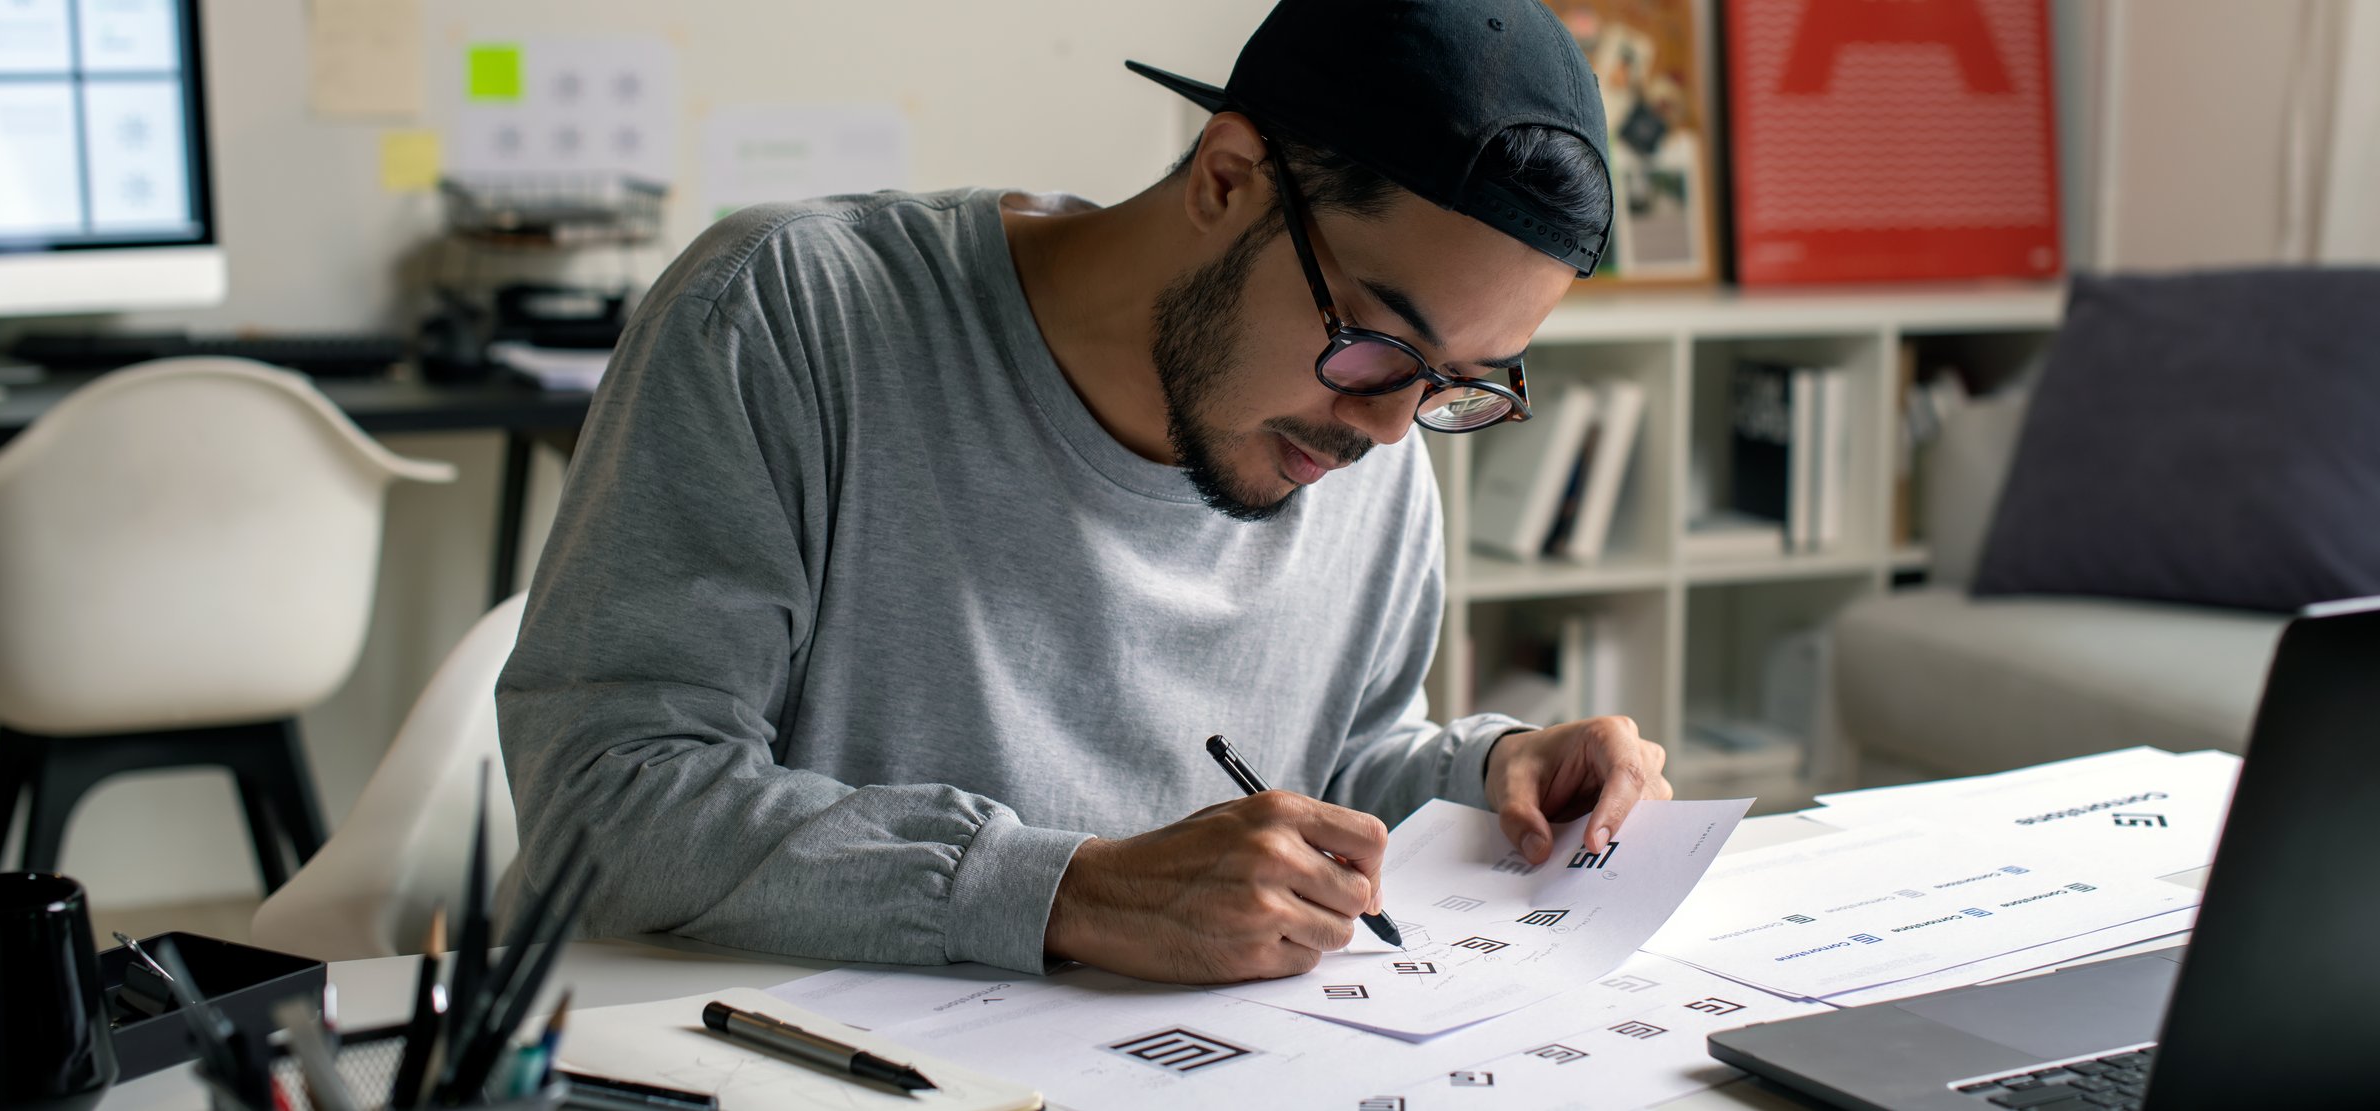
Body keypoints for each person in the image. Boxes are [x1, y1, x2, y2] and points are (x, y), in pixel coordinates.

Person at [496, 0, 1673, 985]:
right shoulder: (790, 318)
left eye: (1459, 385)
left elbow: (1335, 760)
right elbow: (604, 802)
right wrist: (1072, 892)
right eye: (1377, 344)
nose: (1387, 425)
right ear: (1227, 178)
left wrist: (1490, 772)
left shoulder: (1365, 436)